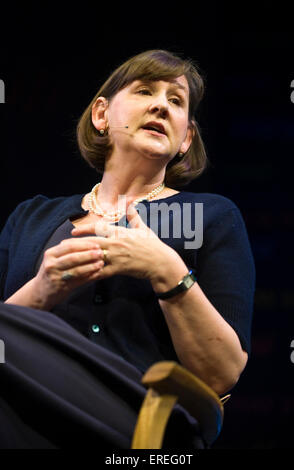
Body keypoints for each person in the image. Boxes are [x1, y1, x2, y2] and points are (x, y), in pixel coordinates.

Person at [0, 50, 255, 449]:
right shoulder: (31, 217)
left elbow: (222, 374)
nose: (160, 105)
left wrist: (167, 270)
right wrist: (40, 292)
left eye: (176, 101)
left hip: (134, 414)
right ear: (101, 116)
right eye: (144, 91)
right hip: (25, 404)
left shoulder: (208, 216)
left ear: (186, 137)